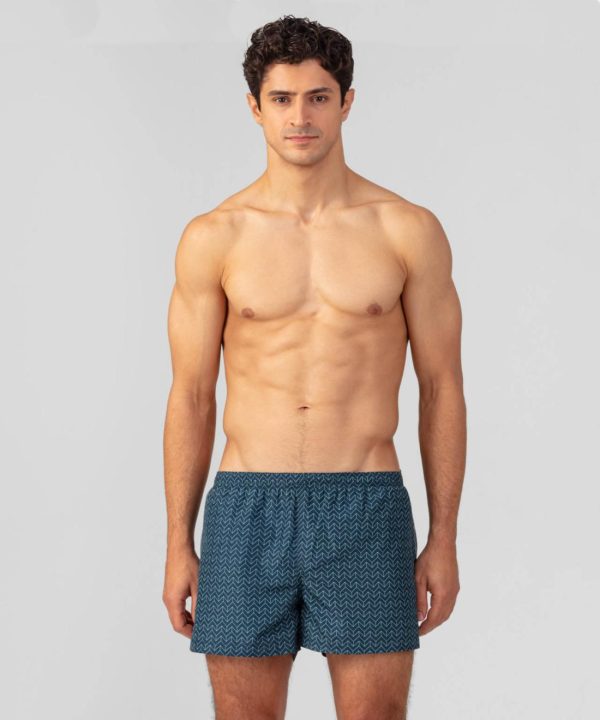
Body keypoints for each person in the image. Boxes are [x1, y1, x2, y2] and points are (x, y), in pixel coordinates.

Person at [162, 14, 465, 720]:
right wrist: (178, 542)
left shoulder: (405, 229)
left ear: (346, 102)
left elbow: (442, 387)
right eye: (282, 99)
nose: (300, 117)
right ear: (255, 107)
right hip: (245, 508)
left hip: (365, 504)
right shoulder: (214, 237)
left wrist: (444, 539)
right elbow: (192, 396)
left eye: (318, 97)